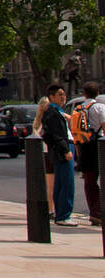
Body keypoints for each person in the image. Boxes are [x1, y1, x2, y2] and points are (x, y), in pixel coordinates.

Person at [42, 83, 78, 226]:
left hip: (63, 147)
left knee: (61, 183)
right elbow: (56, 135)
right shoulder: (53, 112)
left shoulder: (55, 111)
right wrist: (65, 150)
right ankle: (64, 215)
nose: (63, 97)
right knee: (67, 183)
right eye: (60, 95)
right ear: (51, 97)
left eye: (64, 94)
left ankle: (61, 214)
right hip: (63, 148)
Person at [73, 80, 104, 225]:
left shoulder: (78, 109)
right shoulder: (100, 107)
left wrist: (79, 156)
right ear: (97, 93)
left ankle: (94, 213)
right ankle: (99, 210)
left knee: (89, 182)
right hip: (99, 146)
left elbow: (76, 135)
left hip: (84, 148)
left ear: (84, 94)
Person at [31, 95, 54, 212]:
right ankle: (51, 210)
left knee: (47, 185)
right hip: (49, 153)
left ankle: (49, 209)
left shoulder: (36, 123)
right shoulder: (47, 121)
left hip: (42, 154)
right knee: (51, 185)